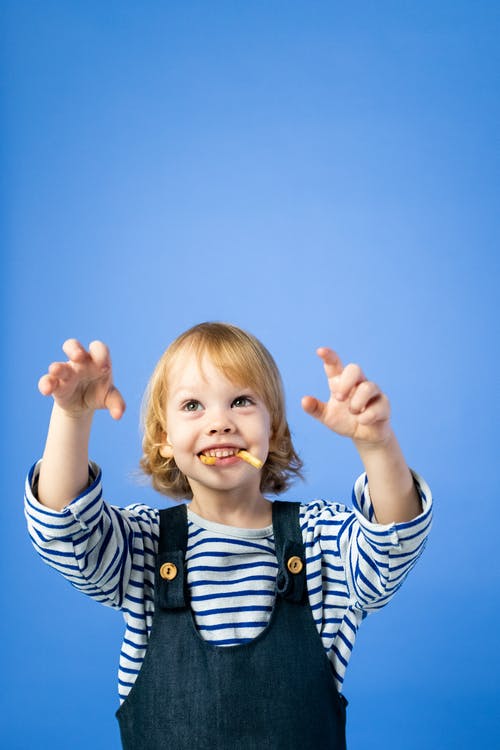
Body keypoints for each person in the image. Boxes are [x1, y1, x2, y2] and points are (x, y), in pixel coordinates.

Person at [25, 322, 432, 749]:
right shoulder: (143, 549)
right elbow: (64, 528)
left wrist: (377, 446)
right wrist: (72, 416)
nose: (219, 422)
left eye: (240, 401)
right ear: (165, 438)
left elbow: (391, 545)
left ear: (272, 428)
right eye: (193, 406)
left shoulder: (318, 543)